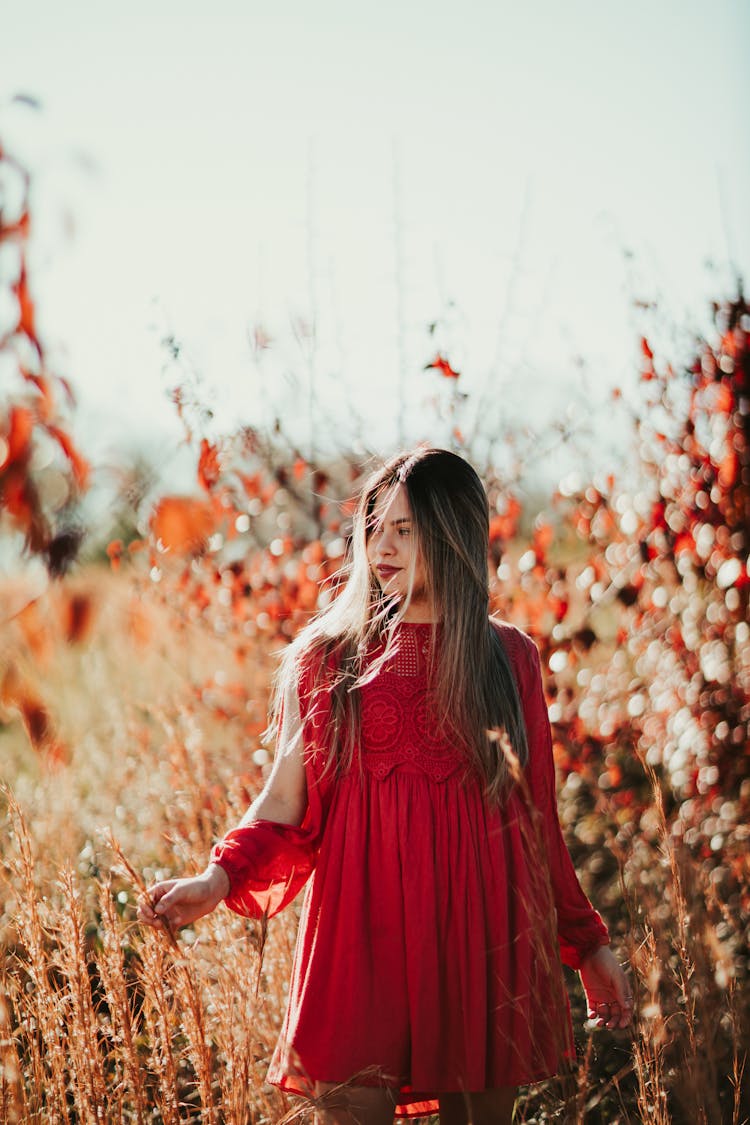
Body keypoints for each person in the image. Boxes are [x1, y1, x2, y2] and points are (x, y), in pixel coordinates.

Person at [138, 447, 633, 1125]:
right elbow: (286, 801)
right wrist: (217, 878)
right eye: (375, 528)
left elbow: (538, 820)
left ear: (452, 533)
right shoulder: (330, 657)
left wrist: (589, 944)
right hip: (358, 935)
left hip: (482, 938)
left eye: (405, 528)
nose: (382, 546)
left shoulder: (507, 657)